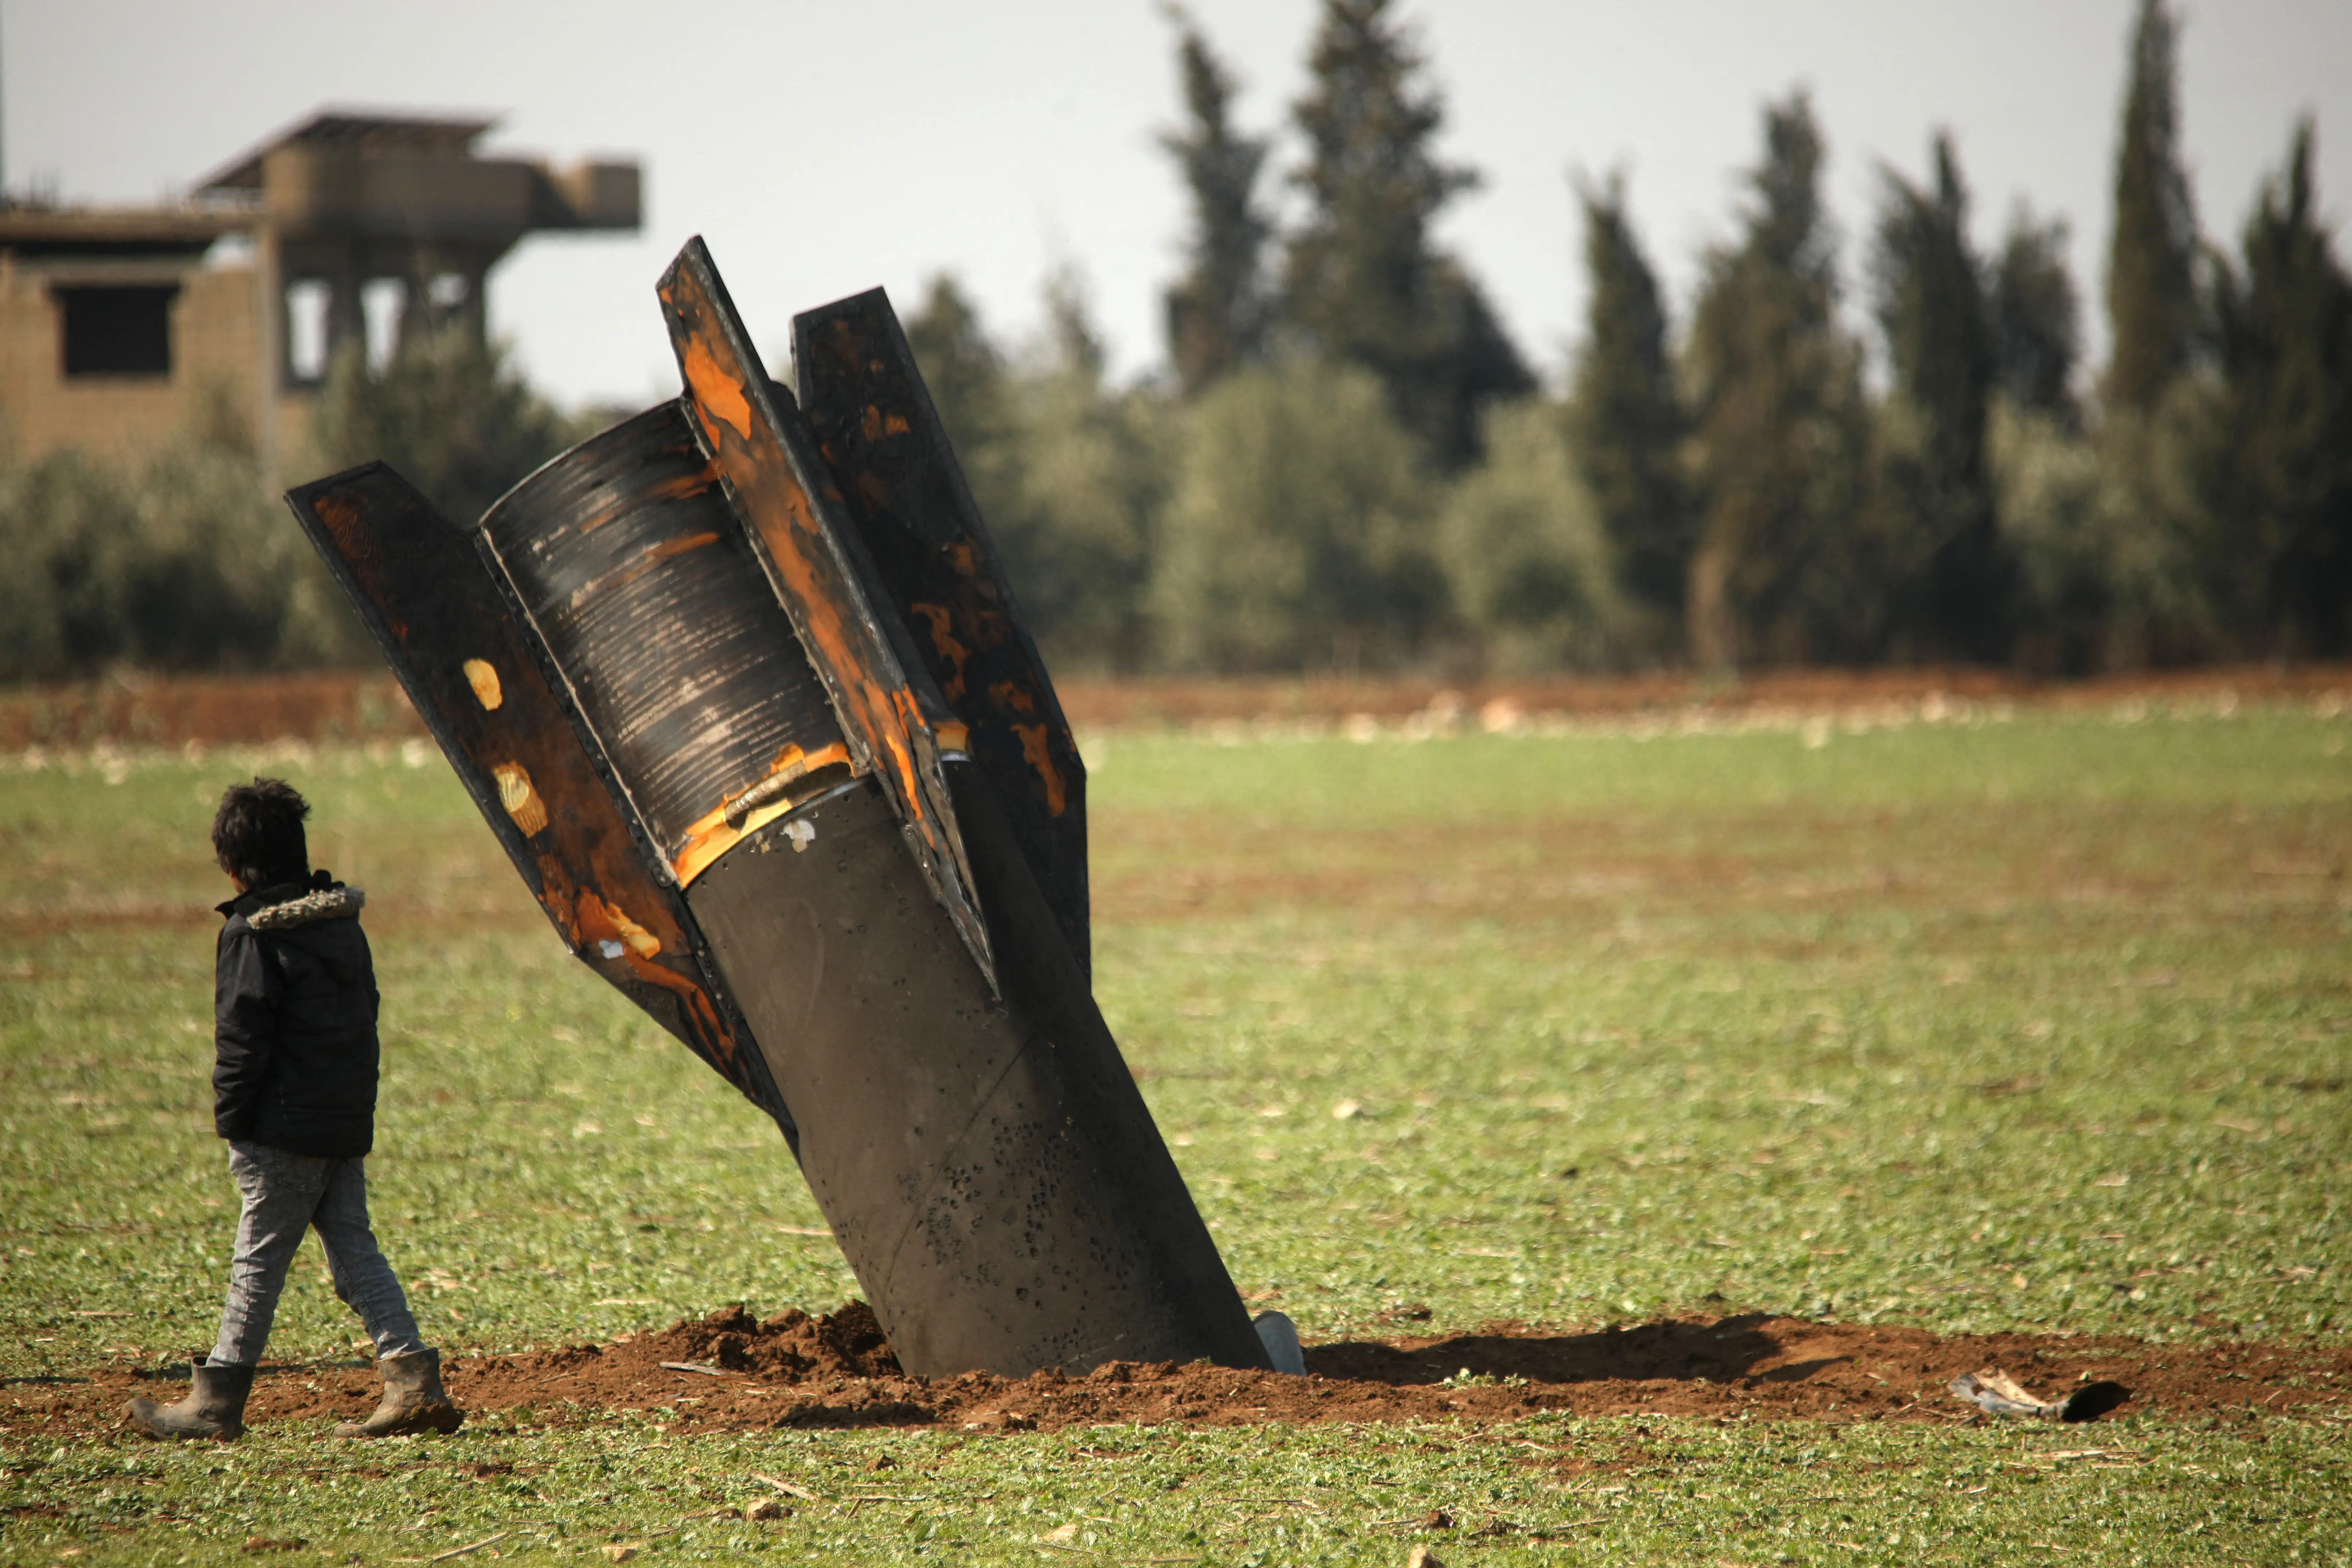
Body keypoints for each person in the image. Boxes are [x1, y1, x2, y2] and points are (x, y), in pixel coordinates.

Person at [127, 777, 462, 1442]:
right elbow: (364, 1018)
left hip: (281, 1128)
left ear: (231, 865)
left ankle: (215, 1404)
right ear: (298, 850)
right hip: (340, 1119)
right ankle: (414, 1384)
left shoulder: (249, 935)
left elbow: (242, 1040)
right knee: (353, 1251)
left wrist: (233, 1123)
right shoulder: (341, 925)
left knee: (257, 1262)